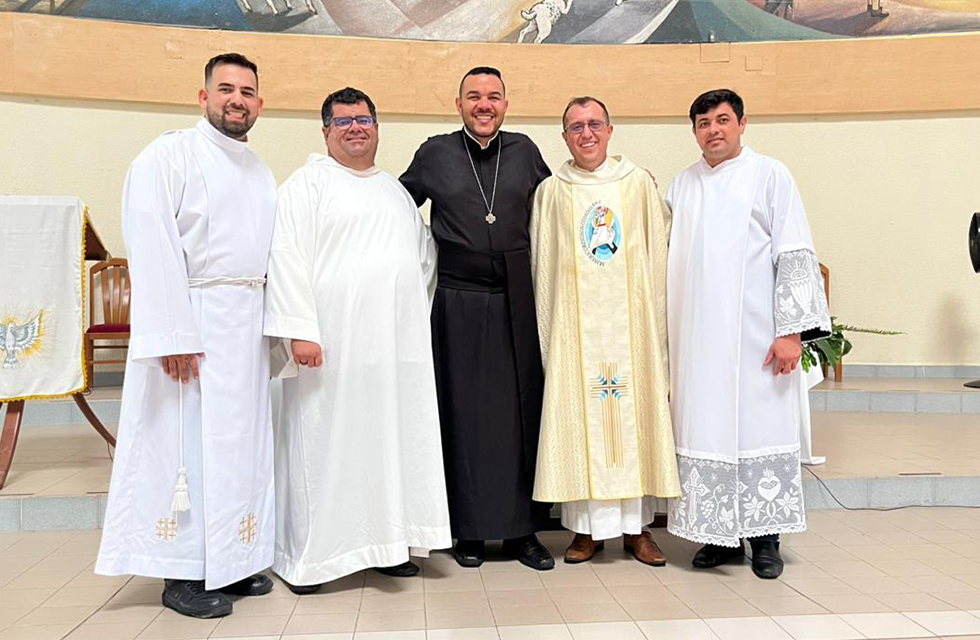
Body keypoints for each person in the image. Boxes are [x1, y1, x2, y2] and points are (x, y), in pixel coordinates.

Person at [96, 53, 277, 617]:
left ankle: (232, 558)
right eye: (225, 89)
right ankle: (182, 572)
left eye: (247, 91)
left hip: (244, 324)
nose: (237, 99)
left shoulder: (260, 170)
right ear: (203, 97)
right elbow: (150, 240)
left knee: (237, 450)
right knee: (185, 447)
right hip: (193, 324)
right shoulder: (168, 155)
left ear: (259, 104)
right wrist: (172, 333)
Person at [264, 87, 452, 593]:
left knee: (387, 445)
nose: (354, 128)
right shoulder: (305, 186)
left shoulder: (393, 190)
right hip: (328, 350)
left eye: (363, 119)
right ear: (324, 131)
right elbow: (285, 259)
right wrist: (299, 331)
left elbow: (423, 263)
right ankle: (312, 558)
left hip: (391, 350)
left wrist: (411, 326)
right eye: (342, 121)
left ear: (377, 127)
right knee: (324, 448)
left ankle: (386, 545)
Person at [665, 89, 831, 579]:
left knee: (758, 430)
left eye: (722, 120)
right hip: (698, 342)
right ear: (694, 131)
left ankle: (764, 539)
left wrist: (792, 332)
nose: (713, 130)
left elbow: (795, 252)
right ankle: (718, 537)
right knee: (706, 429)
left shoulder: (770, 175)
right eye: (703, 123)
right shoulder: (682, 185)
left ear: (742, 124)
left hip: (758, 338)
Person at [399, 67, 554, 570]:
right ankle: (466, 530)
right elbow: (393, 208)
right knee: (461, 415)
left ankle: (522, 533)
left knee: (519, 416)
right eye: (474, 97)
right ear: (458, 103)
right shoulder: (435, 153)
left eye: (493, 97)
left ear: (506, 105)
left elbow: (560, 206)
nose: (483, 104)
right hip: (458, 301)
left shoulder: (526, 151)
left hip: (517, 299)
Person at [530, 97, 680, 565]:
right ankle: (585, 532)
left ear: (611, 130)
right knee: (582, 420)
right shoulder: (552, 191)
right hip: (576, 334)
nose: (586, 133)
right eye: (576, 127)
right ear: (565, 137)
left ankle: (637, 531)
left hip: (630, 329)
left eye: (595, 124)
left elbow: (661, 243)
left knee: (630, 421)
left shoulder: (636, 184)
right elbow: (543, 263)